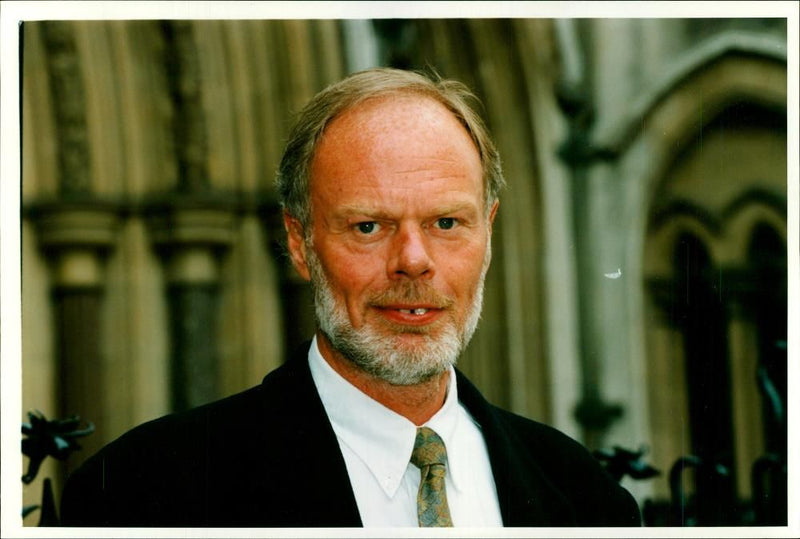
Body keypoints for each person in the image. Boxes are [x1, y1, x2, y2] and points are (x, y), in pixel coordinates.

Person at [60, 68, 641, 527]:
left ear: (488, 230)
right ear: (298, 241)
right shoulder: (146, 495)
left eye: (446, 222)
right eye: (369, 226)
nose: (413, 259)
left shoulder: (585, 498)